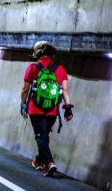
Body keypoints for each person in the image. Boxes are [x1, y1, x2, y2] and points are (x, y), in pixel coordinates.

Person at [21, 41, 74, 177]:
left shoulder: (33, 68)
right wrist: (68, 109)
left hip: (36, 108)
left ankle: (49, 162)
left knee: (40, 136)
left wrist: (23, 104)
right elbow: (65, 91)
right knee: (44, 136)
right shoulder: (60, 69)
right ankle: (39, 160)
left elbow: (25, 89)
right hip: (52, 110)